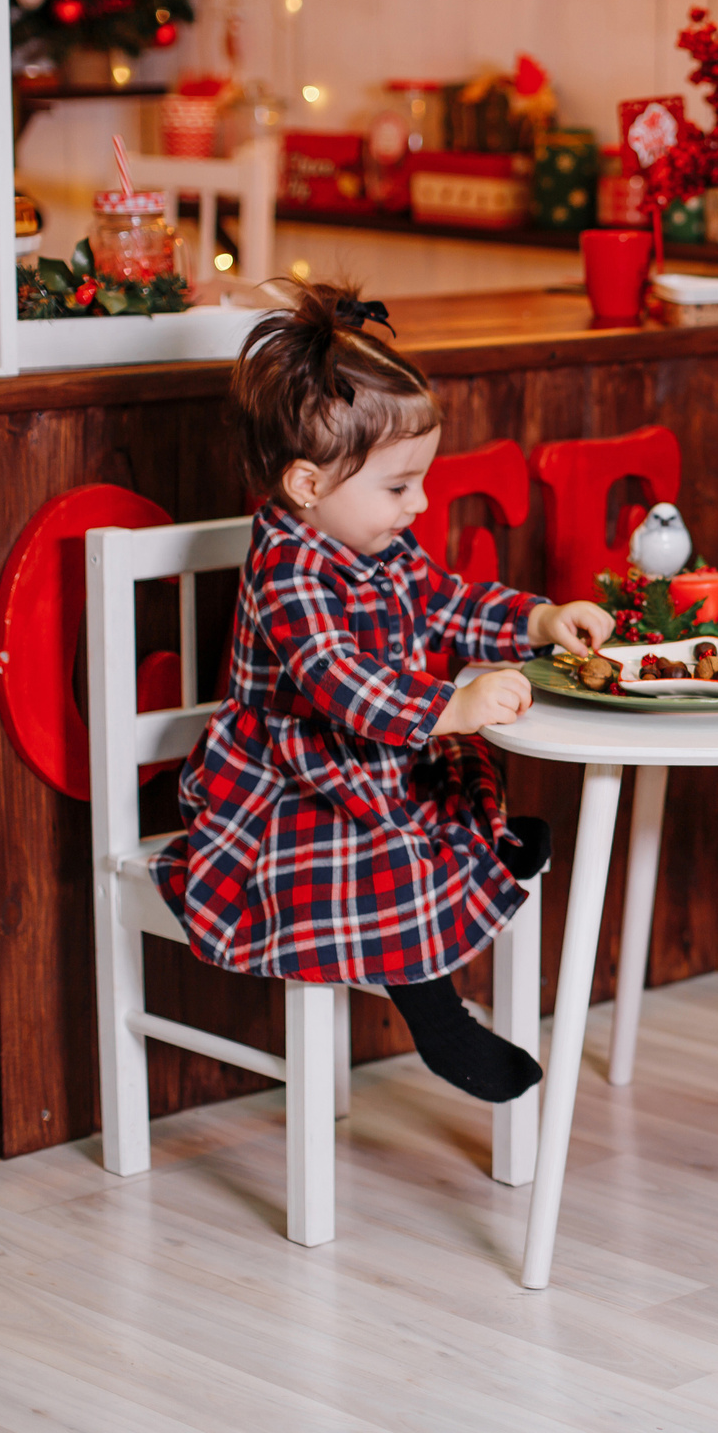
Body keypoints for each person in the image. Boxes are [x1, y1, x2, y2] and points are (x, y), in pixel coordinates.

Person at [154, 283, 612, 1102]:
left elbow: (447, 600)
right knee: (388, 849)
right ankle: (439, 1025)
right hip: (287, 785)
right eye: (399, 487)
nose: (421, 503)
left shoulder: (376, 544)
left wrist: (539, 618)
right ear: (305, 485)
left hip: (370, 764)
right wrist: (448, 705)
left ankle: (486, 852)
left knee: (456, 784)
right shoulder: (288, 566)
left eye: (421, 480)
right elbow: (338, 681)